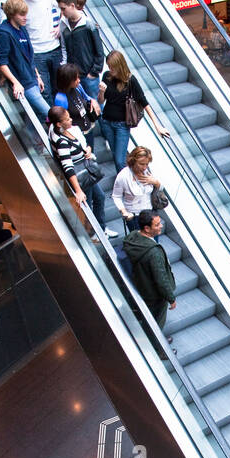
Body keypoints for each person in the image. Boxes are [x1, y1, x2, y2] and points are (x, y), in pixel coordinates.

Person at [46, 104, 117, 238]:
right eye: (67, 119)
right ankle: (92, 233)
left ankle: (101, 228)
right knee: (89, 202)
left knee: (100, 197)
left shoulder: (55, 129)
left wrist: (86, 150)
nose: (71, 120)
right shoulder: (61, 141)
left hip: (83, 169)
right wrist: (78, 190)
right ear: (58, 124)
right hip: (81, 175)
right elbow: (68, 167)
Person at [98, 48, 170, 172]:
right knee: (116, 157)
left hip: (122, 125)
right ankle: (121, 184)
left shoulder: (130, 80)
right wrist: (101, 92)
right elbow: (101, 101)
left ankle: (127, 186)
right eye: (109, 67)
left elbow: (144, 103)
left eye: (113, 67)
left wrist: (157, 126)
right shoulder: (107, 76)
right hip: (107, 122)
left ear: (120, 66)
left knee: (120, 160)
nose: (110, 70)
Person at [123, 210, 176, 352]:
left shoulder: (133, 237)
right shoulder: (153, 252)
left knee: (148, 318)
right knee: (156, 322)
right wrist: (170, 298)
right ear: (147, 228)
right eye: (157, 224)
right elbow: (161, 279)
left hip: (142, 286)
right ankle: (156, 350)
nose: (161, 226)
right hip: (155, 295)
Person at [0, 0, 47, 117]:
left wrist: (37, 76)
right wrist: (15, 82)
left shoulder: (22, 29)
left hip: (31, 78)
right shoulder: (4, 33)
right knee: (48, 113)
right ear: (12, 14)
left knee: (35, 117)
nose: (25, 18)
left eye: (25, 14)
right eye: (21, 14)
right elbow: (2, 63)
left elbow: (29, 56)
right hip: (23, 82)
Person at [17, 0, 62, 101]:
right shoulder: (18, 1)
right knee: (45, 90)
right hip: (36, 52)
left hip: (54, 47)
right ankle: (50, 119)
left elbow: (64, 6)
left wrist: (59, 25)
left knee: (59, 87)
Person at [56, 0, 104, 101]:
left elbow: (99, 50)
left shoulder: (88, 24)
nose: (62, 12)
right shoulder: (63, 24)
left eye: (64, 9)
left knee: (96, 108)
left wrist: (93, 72)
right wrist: (64, 66)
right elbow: (64, 48)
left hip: (88, 75)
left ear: (72, 5)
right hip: (73, 76)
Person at [112, 145, 164, 231]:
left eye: (147, 164)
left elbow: (160, 188)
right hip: (135, 216)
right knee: (140, 242)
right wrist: (124, 211)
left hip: (150, 213)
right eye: (141, 164)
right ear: (133, 161)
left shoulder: (147, 172)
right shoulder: (123, 176)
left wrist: (155, 182)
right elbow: (116, 196)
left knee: (154, 243)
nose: (144, 167)